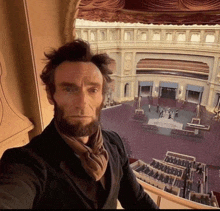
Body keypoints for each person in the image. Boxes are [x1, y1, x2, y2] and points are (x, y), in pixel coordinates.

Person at [0, 39, 158, 209]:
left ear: (103, 97)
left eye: (93, 90)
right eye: (69, 89)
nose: (82, 102)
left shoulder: (115, 143)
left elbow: (138, 200)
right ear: (51, 95)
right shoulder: (26, 161)